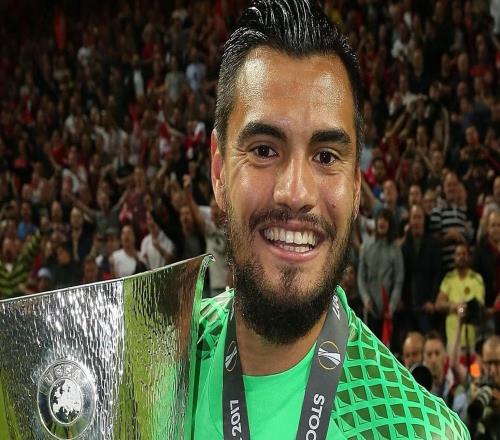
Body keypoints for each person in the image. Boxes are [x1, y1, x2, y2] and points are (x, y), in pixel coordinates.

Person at [192, 1, 468, 438]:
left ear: (356, 186)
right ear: (219, 170)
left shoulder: (421, 431)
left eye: (325, 156)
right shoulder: (158, 358)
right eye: (264, 150)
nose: (295, 193)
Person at [358, 208, 404, 341]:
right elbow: (361, 277)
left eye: (386, 220)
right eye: (380, 219)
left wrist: (392, 306)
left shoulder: (395, 250)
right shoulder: (366, 247)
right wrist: (365, 298)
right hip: (370, 308)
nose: (382, 222)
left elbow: (398, 280)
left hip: (388, 311)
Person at [436, 243, 485, 351]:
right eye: (458, 254)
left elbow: (479, 304)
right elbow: (438, 304)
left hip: (471, 338)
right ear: (454, 258)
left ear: (469, 257)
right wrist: (456, 306)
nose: (461, 257)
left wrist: (460, 307)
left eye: (464, 254)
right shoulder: (448, 279)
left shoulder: (476, 279)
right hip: (452, 338)